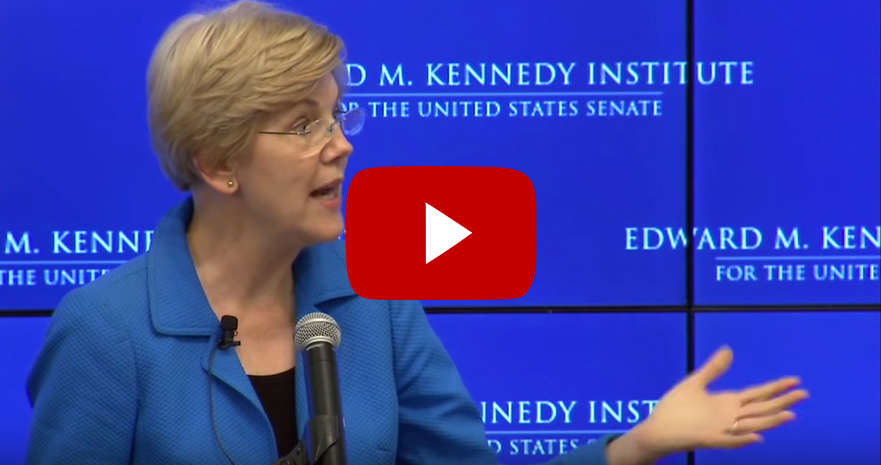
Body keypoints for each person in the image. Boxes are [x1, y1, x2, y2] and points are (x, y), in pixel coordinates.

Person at [25, 1, 809, 464]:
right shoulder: (108, 332)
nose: (341, 144)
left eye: (337, 115)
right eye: (303, 125)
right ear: (218, 161)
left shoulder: (373, 300)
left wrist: (632, 444)